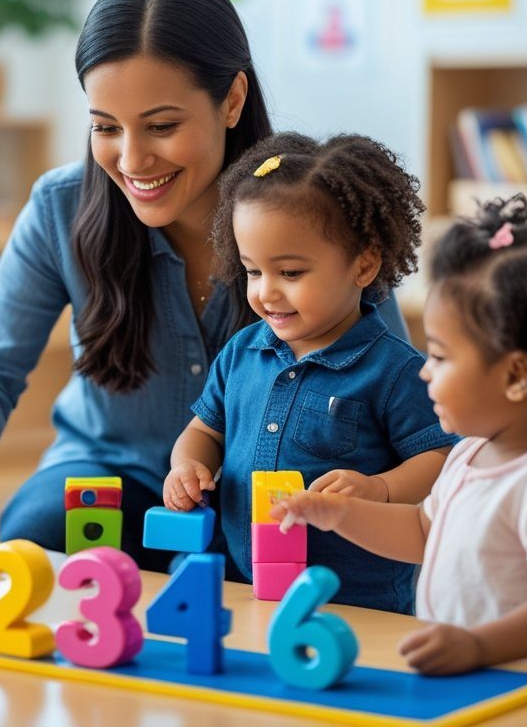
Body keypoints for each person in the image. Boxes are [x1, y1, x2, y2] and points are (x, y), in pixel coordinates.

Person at [0, 0, 410, 571]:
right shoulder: (60, 207)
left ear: (232, 99)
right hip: (106, 477)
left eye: (161, 126)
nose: (131, 159)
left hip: (267, 498)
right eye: (106, 127)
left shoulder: (324, 212)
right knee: (30, 550)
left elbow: (394, 386)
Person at [272, 194, 527, 672]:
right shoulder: (473, 454)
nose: (425, 372)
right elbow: (425, 530)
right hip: (480, 674)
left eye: (440, 357)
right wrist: (340, 514)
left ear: (516, 375)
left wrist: (479, 646)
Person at [162, 132, 456, 612]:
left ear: (364, 266)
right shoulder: (242, 353)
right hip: (245, 583)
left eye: (291, 273)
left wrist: (380, 489)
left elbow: (441, 460)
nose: (266, 293)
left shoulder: (394, 370)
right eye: (254, 272)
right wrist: (187, 466)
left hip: (357, 600)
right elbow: (204, 430)